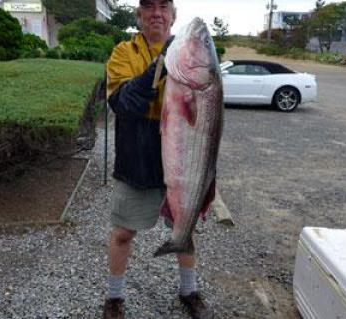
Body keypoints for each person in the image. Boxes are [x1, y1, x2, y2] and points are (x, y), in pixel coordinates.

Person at [103, 1, 214, 318]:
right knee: (123, 233)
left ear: (173, 15)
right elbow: (124, 104)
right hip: (136, 159)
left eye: (164, 6)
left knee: (185, 227)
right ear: (139, 15)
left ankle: (189, 291)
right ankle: (114, 298)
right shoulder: (123, 53)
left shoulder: (191, 53)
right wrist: (161, 65)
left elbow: (206, 115)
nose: (156, 12)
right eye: (148, 6)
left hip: (180, 159)